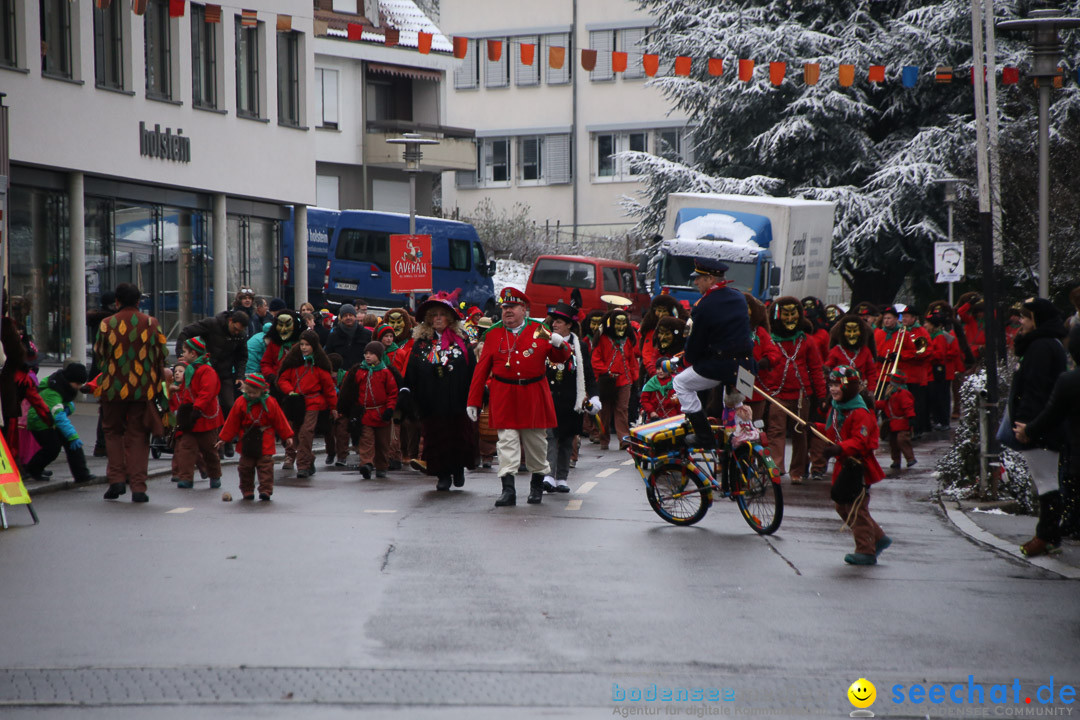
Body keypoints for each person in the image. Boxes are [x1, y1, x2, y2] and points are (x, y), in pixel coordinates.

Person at [467, 287, 570, 506]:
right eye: (504, 308)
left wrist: (561, 345)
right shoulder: (493, 333)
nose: (507, 311)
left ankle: (536, 488)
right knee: (506, 444)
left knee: (536, 445)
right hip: (504, 395)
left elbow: (559, 358)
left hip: (533, 394)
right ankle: (508, 490)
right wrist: (474, 401)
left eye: (512, 307)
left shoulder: (538, 329)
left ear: (524, 309)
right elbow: (481, 370)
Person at [94, 283, 169, 503]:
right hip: (142, 389)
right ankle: (138, 487)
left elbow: (99, 353)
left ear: (116, 302)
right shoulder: (151, 323)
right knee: (138, 435)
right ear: (139, 302)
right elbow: (161, 354)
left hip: (113, 388)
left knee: (113, 432)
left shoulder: (107, 323)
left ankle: (116, 479)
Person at [1006, 298, 1069, 556]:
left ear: (1038, 320)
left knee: (1046, 483)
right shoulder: (1045, 344)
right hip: (1042, 424)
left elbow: (1036, 390)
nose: (1021, 322)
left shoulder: (1040, 347)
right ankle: (1048, 534)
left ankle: (1046, 535)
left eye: (1026, 317)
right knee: (1047, 481)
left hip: (1037, 426)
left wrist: (1027, 427)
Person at [672, 258, 753, 449]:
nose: (695, 282)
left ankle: (704, 435)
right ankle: (743, 450)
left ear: (710, 279)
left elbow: (695, 344)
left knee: (680, 383)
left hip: (721, 366)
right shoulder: (739, 297)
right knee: (736, 410)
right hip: (746, 366)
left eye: (698, 278)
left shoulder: (705, 305)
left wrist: (686, 360)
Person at [816, 365, 889, 566]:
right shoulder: (837, 409)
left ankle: (866, 551)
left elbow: (860, 441)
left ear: (848, 387)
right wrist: (815, 427)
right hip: (845, 466)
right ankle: (878, 538)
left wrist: (839, 449)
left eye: (837, 385)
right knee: (842, 506)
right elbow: (834, 432)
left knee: (856, 508)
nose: (832, 389)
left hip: (859, 468)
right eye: (831, 384)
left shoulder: (860, 413)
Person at [1016, 325, 1080, 547]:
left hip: (1075, 450)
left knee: (1057, 485)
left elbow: (1051, 414)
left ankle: (1050, 534)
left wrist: (1028, 431)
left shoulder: (1070, 381)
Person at [405, 292, 476, 491]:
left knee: (459, 437)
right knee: (435, 438)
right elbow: (412, 372)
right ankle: (442, 475)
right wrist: (409, 395)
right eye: (433, 314)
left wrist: (475, 397)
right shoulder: (420, 344)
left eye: (442, 314)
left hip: (458, 401)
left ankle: (458, 469)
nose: (437, 318)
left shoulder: (462, 343)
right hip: (432, 402)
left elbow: (472, 371)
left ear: (450, 318)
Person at [759, 296, 825, 482]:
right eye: (785, 314)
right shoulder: (769, 339)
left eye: (793, 314)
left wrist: (821, 396)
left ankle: (797, 471)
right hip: (776, 395)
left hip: (801, 395)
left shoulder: (807, 340)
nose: (789, 319)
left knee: (800, 433)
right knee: (775, 431)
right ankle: (777, 469)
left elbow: (816, 369)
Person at [543, 301, 599, 493]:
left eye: (558, 322)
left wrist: (595, 397)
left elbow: (589, 374)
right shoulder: (546, 341)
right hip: (550, 396)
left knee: (567, 438)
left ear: (568, 325)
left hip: (572, 399)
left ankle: (562, 478)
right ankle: (548, 475)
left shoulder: (580, 346)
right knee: (550, 436)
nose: (554, 325)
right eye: (553, 322)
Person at [176, 310, 249, 457]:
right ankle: (216, 446)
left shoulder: (240, 335)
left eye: (239, 331)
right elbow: (186, 332)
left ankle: (227, 440)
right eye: (235, 329)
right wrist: (180, 355)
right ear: (230, 321)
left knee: (228, 405)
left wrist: (240, 376)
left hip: (225, 373)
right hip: (206, 371)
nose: (236, 333)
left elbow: (242, 357)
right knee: (208, 406)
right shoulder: (212, 324)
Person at [217, 373, 294, 501]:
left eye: (254, 393)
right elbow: (232, 422)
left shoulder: (270, 402)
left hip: (265, 438)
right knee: (245, 467)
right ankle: (247, 490)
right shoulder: (241, 402)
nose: (251, 395)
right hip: (247, 438)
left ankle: (265, 490)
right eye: (249, 392)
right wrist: (223, 439)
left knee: (266, 466)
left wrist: (287, 436)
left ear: (262, 391)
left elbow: (280, 420)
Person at [276, 330, 338, 478]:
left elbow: (329, 388)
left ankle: (302, 466)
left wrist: (334, 407)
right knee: (295, 434)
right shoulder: (293, 362)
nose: (304, 347)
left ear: (314, 346)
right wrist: (289, 390)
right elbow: (282, 379)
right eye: (302, 344)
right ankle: (309, 460)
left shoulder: (320, 366)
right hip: (295, 403)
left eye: (307, 345)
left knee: (306, 433)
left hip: (314, 404)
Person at [24, 363, 94, 483]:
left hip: (50, 420)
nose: (78, 387)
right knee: (53, 448)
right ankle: (32, 469)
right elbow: (60, 418)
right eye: (77, 384)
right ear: (69, 380)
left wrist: (68, 409)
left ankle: (82, 475)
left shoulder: (62, 386)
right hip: (39, 421)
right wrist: (72, 436)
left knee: (70, 445)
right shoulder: (53, 392)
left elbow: (67, 404)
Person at [171, 337, 224, 489]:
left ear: (193, 354)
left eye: (185, 352)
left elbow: (207, 392)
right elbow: (188, 390)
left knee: (209, 450)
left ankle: (214, 475)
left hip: (204, 416)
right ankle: (186, 478)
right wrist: (178, 390)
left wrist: (197, 408)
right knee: (186, 448)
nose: (182, 354)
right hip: (190, 416)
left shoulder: (207, 370)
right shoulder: (190, 368)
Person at [344, 342, 398, 480]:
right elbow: (352, 391)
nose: (368, 356)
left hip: (382, 413)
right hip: (365, 413)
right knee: (366, 440)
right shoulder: (359, 371)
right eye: (366, 353)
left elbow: (392, 393)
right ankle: (366, 464)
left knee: (382, 443)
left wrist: (390, 409)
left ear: (379, 356)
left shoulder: (386, 373)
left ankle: (381, 466)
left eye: (371, 354)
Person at [592, 307, 639, 451]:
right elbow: (596, 360)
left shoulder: (629, 340)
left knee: (622, 410)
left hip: (625, 381)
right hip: (607, 381)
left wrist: (634, 378)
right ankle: (603, 439)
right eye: (618, 323)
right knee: (604, 412)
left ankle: (624, 439)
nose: (621, 327)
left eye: (623, 323)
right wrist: (606, 372)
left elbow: (632, 360)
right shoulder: (603, 339)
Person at [875, 370, 917, 470]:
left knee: (902, 440)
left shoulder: (902, 393)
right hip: (894, 423)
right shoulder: (892, 395)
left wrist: (911, 417)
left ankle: (910, 458)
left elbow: (908, 406)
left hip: (902, 422)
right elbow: (885, 404)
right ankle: (896, 461)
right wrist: (873, 403)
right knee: (893, 443)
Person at [324, 304, 373, 372]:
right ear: (341, 318)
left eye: (350, 315)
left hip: (361, 373)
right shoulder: (333, 336)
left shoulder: (366, 334)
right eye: (345, 316)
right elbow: (328, 355)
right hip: (340, 375)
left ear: (355, 316)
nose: (348, 317)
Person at [260, 310, 304, 381]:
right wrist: (271, 376)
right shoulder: (274, 343)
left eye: (287, 325)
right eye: (280, 325)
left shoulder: (302, 344)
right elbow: (265, 363)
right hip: (277, 383)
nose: (283, 329)